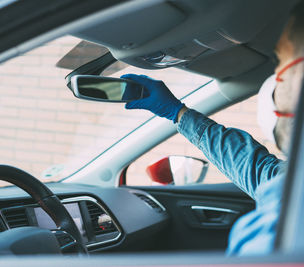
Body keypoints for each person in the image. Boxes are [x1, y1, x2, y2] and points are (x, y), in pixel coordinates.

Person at [123, 1, 304, 255]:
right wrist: (177, 112)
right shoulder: (293, 186)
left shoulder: (275, 233)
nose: (274, 86)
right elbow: (257, 169)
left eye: (282, 72)